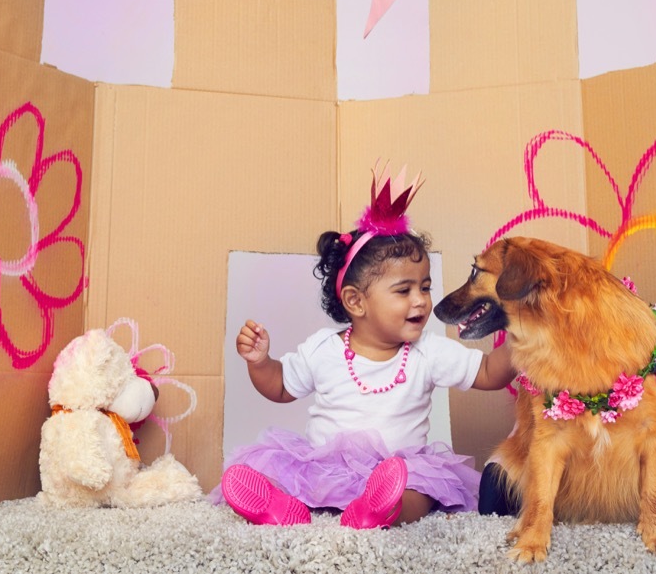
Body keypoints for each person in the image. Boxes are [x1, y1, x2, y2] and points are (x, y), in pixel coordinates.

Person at [211, 164, 515, 529]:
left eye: (425, 286)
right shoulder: (323, 349)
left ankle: (382, 510)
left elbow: (487, 373)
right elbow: (279, 386)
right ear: (356, 302)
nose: (420, 301)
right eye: (404, 291)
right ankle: (281, 507)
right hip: (327, 468)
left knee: (421, 490)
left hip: (398, 471)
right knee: (295, 478)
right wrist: (260, 362)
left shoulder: (429, 352)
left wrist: (524, 338)